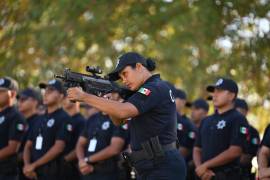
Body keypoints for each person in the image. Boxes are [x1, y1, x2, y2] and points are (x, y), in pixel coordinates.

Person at [67, 52, 186, 180]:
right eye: (120, 77)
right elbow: (119, 121)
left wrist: (84, 96)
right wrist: (108, 102)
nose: (124, 80)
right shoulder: (141, 92)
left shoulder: (154, 87)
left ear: (139, 67)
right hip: (150, 165)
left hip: (162, 166)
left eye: (125, 73)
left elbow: (123, 111)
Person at [193, 78, 249, 180]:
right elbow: (197, 148)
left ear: (231, 96)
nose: (214, 95)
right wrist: (200, 168)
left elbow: (235, 151)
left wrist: (206, 166)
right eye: (214, 91)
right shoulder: (206, 120)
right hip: (203, 176)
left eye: (219, 91)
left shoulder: (238, 119)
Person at [23, 79, 73, 180]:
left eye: (50, 91)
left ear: (61, 96)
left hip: (54, 173)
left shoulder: (64, 118)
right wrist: (27, 165)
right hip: (33, 173)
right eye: (45, 90)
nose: (45, 93)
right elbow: (28, 145)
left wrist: (34, 165)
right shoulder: (38, 118)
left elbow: (58, 148)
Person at [0, 77, 26, 180]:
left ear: (13, 94)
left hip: (6, 174)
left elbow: (12, 148)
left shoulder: (16, 116)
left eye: (2, 91)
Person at [17, 88, 42, 180]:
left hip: (32, 171)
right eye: (18, 99)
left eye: (23, 99)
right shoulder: (20, 121)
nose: (19, 102)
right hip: (17, 171)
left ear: (34, 102)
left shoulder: (40, 121)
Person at [234, 98, 260, 180]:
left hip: (245, 172)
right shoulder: (228, 129)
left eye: (240, 111)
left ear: (246, 111)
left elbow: (256, 150)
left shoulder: (252, 131)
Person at [62, 96, 86, 179]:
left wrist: (64, 160)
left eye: (66, 97)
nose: (63, 100)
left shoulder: (81, 121)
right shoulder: (64, 120)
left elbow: (81, 146)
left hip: (73, 169)